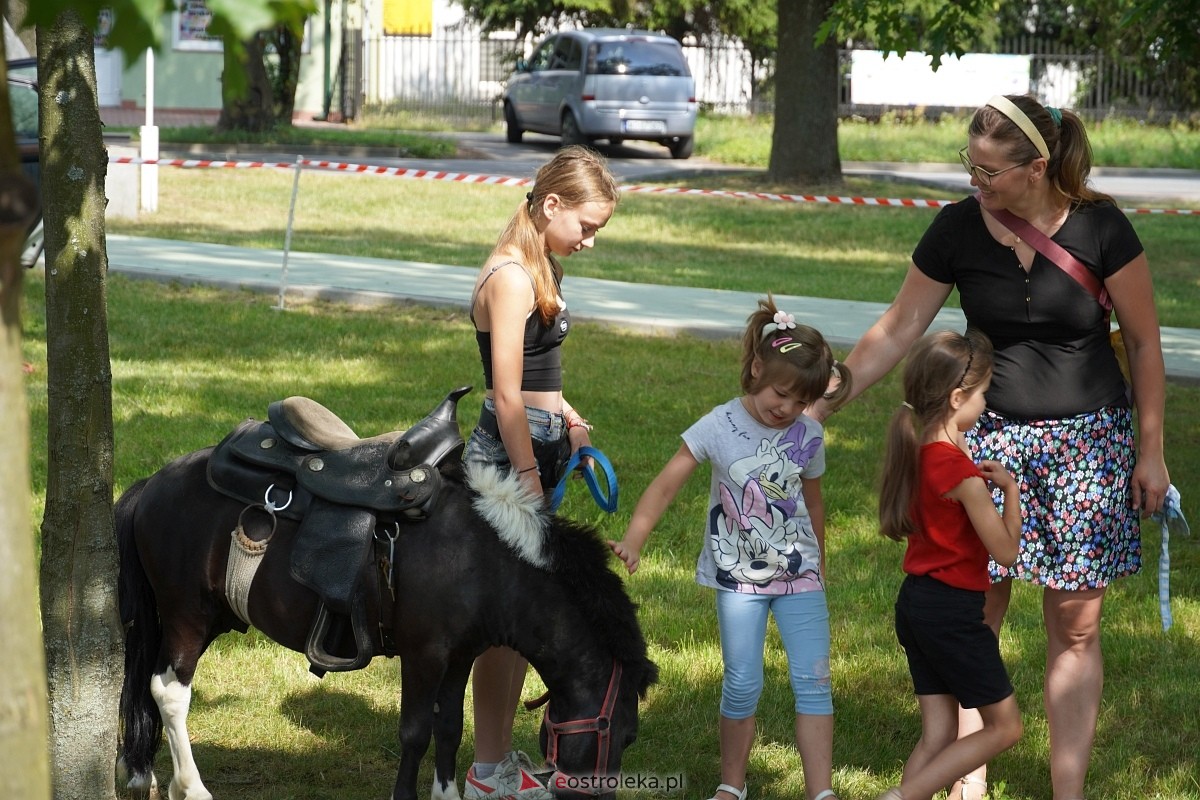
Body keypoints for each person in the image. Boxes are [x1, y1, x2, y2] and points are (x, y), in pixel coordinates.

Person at [808, 94, 1170, 800]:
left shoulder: (1103, 228)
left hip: (1088, 443)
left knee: (1073, 624)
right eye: (968, 167)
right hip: (987, 441)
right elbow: (901, 323)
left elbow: (1148, 343)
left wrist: (1150, 450)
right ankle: (968, 775)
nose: (974, 183)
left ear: (1037, 168)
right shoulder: (957, 229)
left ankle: (1069, 791)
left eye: (988, 172)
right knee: (975, 613)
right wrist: (837, 390)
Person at [610, 296, 852, 800]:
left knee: (814, 678)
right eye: (781, 393)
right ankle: (731, 784)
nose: (785, 408)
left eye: (798, 402)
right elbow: (664, 485)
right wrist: (635, 539)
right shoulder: (720, 425)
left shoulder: (808, 433)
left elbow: (814, 502)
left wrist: (820, 564)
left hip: (799, 576)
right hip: (739, 578)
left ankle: (821, 791)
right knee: (743, 682)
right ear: (757, 369)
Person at [462, 145, 621, 800]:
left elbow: (538, 379)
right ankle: (486, 769)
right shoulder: (510, 278)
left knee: (519, 623)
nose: (588, 242)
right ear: (551, 204)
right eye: (585, 227)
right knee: (508, 621)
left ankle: (493, 762)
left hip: (537, 452)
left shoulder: (539, 267)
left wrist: (572, 422)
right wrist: (529, 474)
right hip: (507, 463)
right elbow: (503, 395)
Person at [874, 329, 1024, 800]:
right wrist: (1013, 492)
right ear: (958, 396)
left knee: (937, 734)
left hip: (916, 605)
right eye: (982, 394)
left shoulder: (919, 455)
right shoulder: (962, 475)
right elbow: (1006, 552)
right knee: (1005, 727)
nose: (985, 402)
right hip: (952, 614)